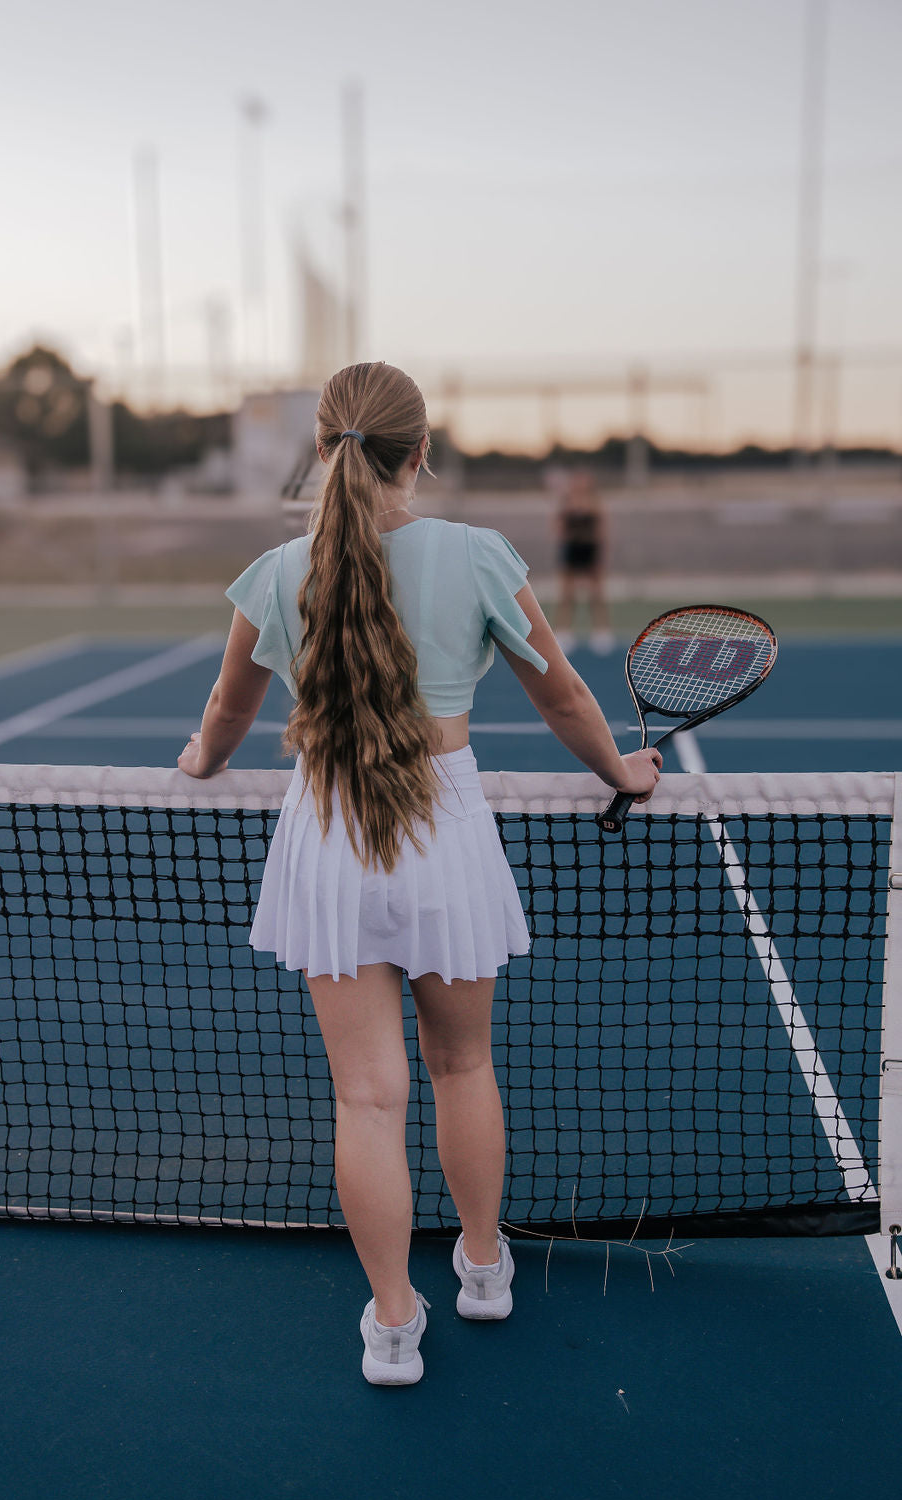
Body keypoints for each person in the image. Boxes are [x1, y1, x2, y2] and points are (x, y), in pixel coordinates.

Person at [177, 362, 661, 1386]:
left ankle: (394, 1321)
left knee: (366, 1098)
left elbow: (224, 716)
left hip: (329, 830)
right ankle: (483, 1270)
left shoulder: (275, 572)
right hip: (443, 827)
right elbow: (564, 696)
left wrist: (198, 764)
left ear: (321, 450)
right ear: (422, 452)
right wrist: (620, 769)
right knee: (463, 1067)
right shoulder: (479, 554)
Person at [555, 465, 613, 653]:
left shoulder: (595, 502)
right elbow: (558, 527)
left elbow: (601, 529)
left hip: (590, 550)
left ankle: (601, 633)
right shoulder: (566, 502)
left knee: (596, 594)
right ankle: (563, 632)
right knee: (567, 594)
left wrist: (600, 554)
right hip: (572, 550)